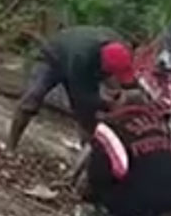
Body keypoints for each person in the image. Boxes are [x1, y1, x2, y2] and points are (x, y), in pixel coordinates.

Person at [80, 76, 171, 216]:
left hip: (145, 205)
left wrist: (89, 194)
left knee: (105, 193)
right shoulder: (160, 124)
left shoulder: (112, 127)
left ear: (115, 99)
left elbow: (105, 173)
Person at [7, 26, 135, 151]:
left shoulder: (121, 47)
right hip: (55, 58)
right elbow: (82, 97)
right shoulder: (82, 58)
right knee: (33, 97)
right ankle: (10, 146)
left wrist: (123, 94)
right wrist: (108, 104)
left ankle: (88, 157)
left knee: (89, 115)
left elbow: (125, 81)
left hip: (84, 61)